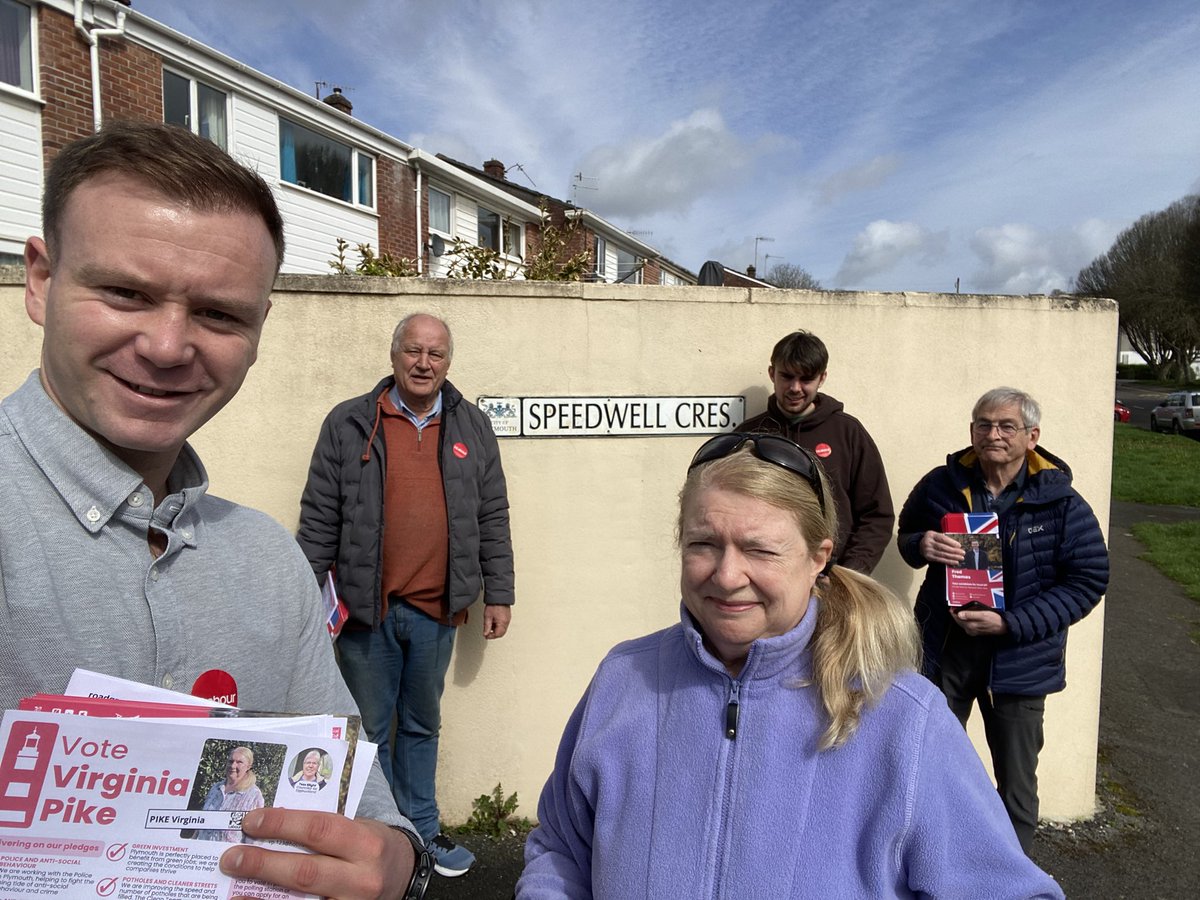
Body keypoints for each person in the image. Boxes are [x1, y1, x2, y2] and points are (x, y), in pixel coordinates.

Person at [0, 121, 429, 899]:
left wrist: (399, 861)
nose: (168, 346)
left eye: (219, 314)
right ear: (39, 280)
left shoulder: (267, 560)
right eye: (125, 292)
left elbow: (352, 803)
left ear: (260, 329)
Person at [517, 433, 1062, 898]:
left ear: (819, 558)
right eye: (703, 543)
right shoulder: (624, 678)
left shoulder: (903, 718)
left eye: (760, 550)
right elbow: (561, 851)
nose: (727, 576)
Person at [298, 311, 515, 878]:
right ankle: (375, 835)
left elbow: (492, 514)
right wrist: (302, 599)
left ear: (448, 362)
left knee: (421, 723)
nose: (424, 363)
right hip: (366, 610)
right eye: (413, 351)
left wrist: (500, 593)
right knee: (366, 728)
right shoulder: (349, 423)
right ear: (394, 356)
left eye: (436, 354)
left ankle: (422, 833)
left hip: (438, 611)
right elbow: (320, 516)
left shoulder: (472, 427)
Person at [897, 387, 1109, 852]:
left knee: (1015, 783)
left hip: (1021, 659)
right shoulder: (941, 484)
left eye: (1006, 426)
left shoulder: (1061, 503)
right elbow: (907, 533)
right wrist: (921, 545)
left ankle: (1011, 877)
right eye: (983, 424)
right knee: (930, 763)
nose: (993, 434)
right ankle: (935, 860)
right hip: (946, 650)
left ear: (1032, 436)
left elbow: (1089, 580)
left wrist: (1011, 623)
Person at [739, 330, 893, 573]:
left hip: (831, 579)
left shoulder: (848, 432)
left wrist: (849, 573)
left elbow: (877, 515)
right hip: (764, 575)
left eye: (806, 379)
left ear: (822, 378)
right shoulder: (747, 436)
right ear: (772, 374)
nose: (795, 388)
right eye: (787, 376)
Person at [200, 747, 266, 843]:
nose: (233, 765)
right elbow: (200, 823)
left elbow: (254, 837)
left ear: (248, 766)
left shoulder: (253, 795)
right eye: (230, 761)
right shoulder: (216, 788)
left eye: (239, 762)